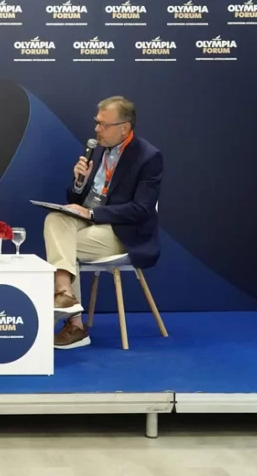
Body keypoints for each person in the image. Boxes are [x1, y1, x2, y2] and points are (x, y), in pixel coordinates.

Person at [44, 96, 162, 350]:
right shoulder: (98, 150)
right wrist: (79, 183)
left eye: (104, 125)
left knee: (63, 247)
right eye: (97, 122)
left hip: (122, 232)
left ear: (125, 128)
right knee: (55, 218)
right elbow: (78, 200)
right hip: (89, 224)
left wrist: (92, 214)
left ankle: (74, 323)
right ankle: (64, 294)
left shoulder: (148, 157)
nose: (96, 129)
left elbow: (141, 210)